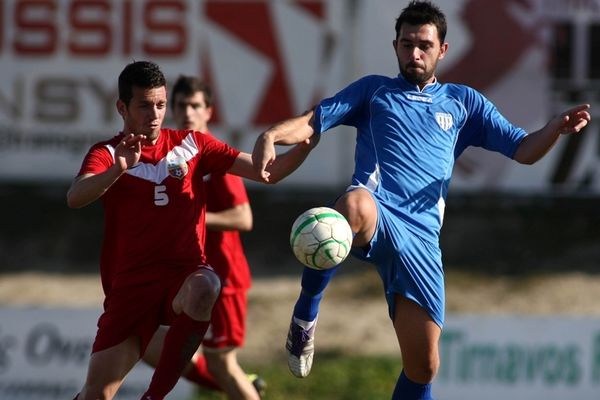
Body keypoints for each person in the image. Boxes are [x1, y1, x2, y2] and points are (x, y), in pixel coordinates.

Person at [250, 1, 591, 399]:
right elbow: (313, 120)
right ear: (395, 45)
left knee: (423, 367)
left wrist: (553, 129)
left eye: (424, 45)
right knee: (352, 206)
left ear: (442, 50)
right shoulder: (373, 91)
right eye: (406, 43)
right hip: (377, 213)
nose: (415, 53)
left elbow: (523, 150)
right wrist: (271, 135)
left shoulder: (464, 103)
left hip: (422, 241)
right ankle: (306, 312)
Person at [67, 60, 315, 400]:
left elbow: (268, 172)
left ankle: (153, 397)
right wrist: (117, 171)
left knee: (205, 286)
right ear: (122, 107)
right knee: (97, 393)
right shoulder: (109, 152)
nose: (154, 114)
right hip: (130, 289)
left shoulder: (193, 145)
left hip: (181, 276)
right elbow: (75, 196)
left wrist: (305, 147)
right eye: (143, 105)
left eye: (160, 104)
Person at [140, 75, 265, 399]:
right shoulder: (176, 157)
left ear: (209, 111)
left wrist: (192, 218)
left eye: (195, 105)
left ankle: (243, 388)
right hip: (188, 278)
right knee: (148, 344)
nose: (188, 112)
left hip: (223, 279)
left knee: (221, 362)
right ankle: (241, 386)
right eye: (181, 105)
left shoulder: (215, 157)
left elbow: (243, 217)